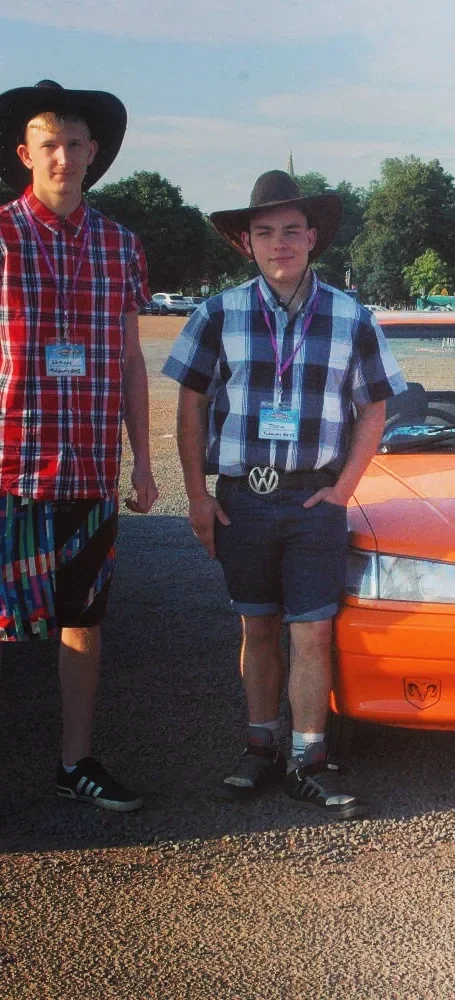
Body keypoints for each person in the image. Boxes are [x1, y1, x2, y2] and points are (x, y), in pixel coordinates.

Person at [164, 171, 404, 817]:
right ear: (246, 243)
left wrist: (344, 489)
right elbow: (190, 405)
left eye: (291, 230)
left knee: (313, 634)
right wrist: (195, 494)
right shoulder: (216, 314)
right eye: (264, 232)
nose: (279, 244)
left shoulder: (353, 317)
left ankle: (310, 756)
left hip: (310, 502)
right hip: (244, 498)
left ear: (312, 237)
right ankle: (258, 743)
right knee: (257, 626)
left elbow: (375, 407)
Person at [0, 81, 159, 810]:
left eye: (75, 144)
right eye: (49, 143)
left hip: (90, 472)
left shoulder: (122, 246)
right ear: (24, 153)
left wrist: (146, 464)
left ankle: (76, 762)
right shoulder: (1, 236)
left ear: (94, 153)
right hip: (8, 468)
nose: (63, 156)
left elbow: (130, 361)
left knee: (83, 624)